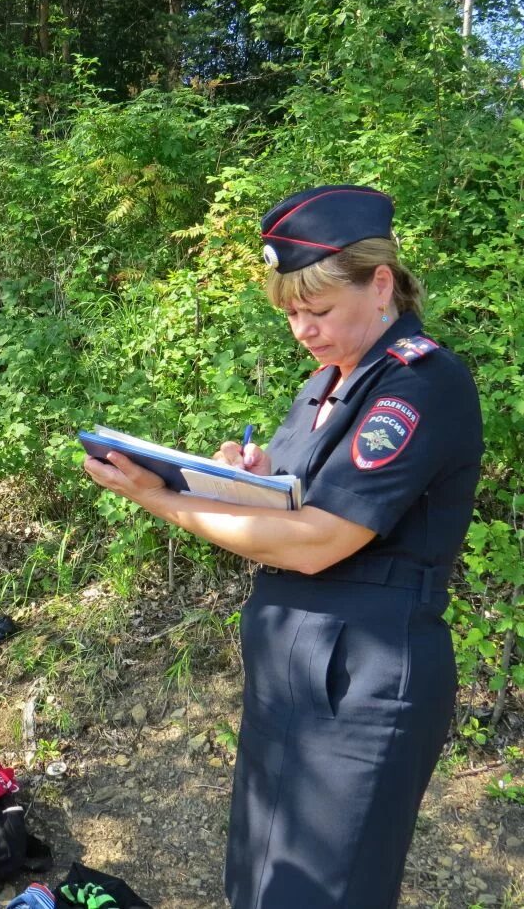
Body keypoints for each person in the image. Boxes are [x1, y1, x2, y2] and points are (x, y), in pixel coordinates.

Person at [82, 185, 483, 908]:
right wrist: (249, 483)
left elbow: (318, 540)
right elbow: (303, 505)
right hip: (286, 655)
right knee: (259, 881)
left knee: (324, 891)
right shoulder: (322, 384)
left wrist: (164, 498)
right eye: (291, 312)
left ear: (382, 283)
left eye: (319, 310)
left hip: (363, 671)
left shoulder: (421, 386)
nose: (303, 329)